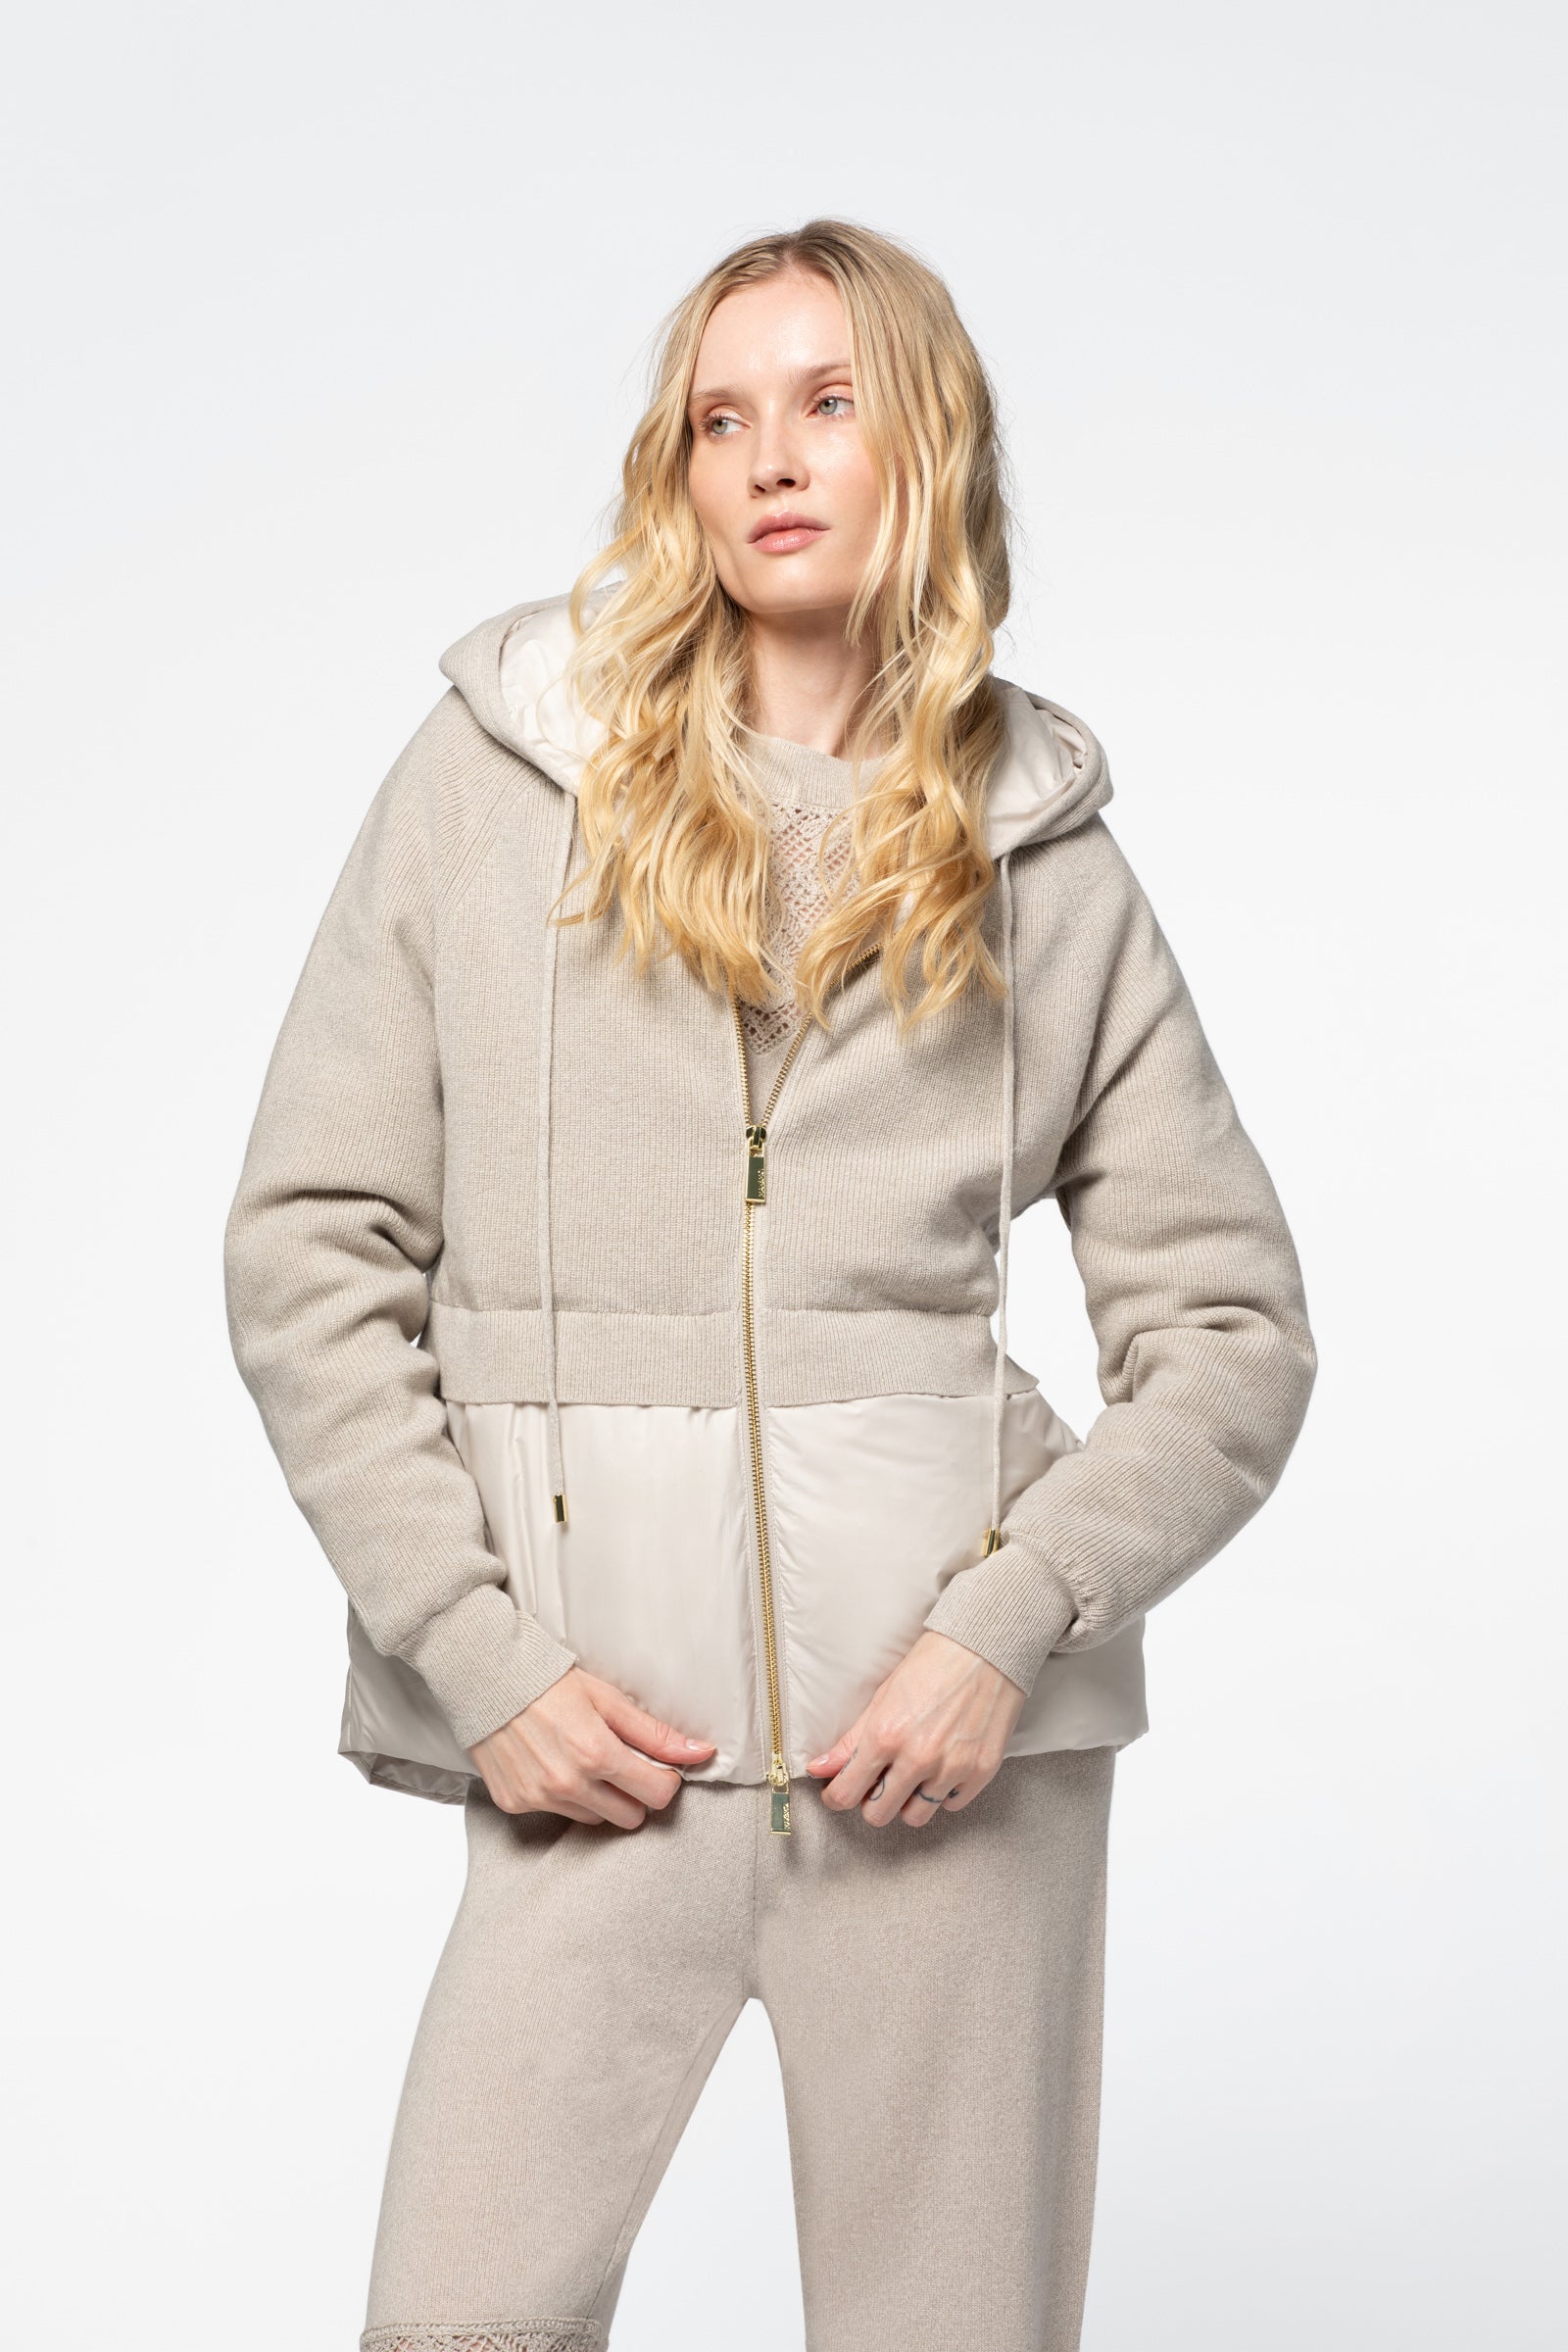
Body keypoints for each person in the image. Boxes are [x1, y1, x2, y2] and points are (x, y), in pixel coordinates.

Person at [223, 218, 1317, 2352]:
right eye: (720, 419)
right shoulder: (495, 782)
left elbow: (1230, 1334)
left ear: (928, 445)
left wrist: (1004, 1630)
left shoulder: (1040, 858)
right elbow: (308, 1244)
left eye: (827, 403)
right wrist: (478, 1655)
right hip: (590, 1746)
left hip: (941, 1771)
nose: (771, 458)